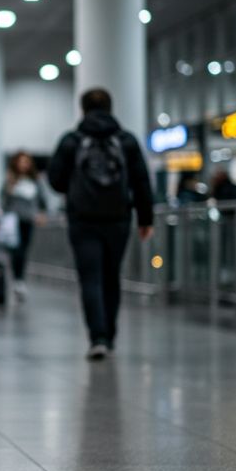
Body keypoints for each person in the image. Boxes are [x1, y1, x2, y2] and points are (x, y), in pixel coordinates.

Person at [48, 88, 153, 361]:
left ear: (82, 109)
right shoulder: (126, 140)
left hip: (82, 220)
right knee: (111, 276)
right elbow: (141, 182)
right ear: (111, 107)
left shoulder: (72, 140)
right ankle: (111, 333)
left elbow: (55, 180)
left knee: (90, 278)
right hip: (118, 219)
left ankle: (98, 338)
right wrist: (145, 218)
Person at [0, 151, 48, 300]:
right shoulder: (10, 180)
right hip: (14, 221)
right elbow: (3, 200)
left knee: (24, 249)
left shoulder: (35, 181)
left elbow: (42, 200)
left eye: (26, 162)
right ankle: (17, 279)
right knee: (16, 250)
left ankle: (19, 279)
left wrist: (41, 213)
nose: (24, 165)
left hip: (29, 219)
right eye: (21, 162)